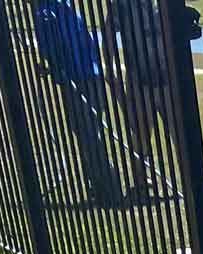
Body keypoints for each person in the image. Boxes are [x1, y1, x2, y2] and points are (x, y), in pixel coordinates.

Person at [32, 0, 120, 206]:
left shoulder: (44, 14)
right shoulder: (66, 7)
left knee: (87, 135)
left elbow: (54, 51)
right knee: (89, 132)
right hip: (93, 76)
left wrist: (51, 69)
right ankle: (99, 187)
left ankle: (108, 189)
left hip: (77, 80)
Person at [101, 0, 171, 197]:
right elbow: (108, 35)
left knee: (177, 130)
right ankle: (140, 180)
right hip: (139, 79)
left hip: (166, 78)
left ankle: (184, 176)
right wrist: (109, 66)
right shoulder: (121, 7)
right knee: (140, 131)